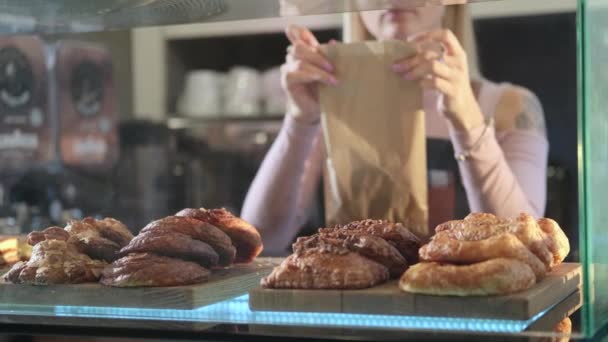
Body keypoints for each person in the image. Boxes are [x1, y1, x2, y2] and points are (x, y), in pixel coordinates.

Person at [242, 4, 548, 254]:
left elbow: (528, 248)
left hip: (474, 322)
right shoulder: (328, 97)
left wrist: (467, 119)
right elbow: (259, 241)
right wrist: (300, 120)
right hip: (350, 319)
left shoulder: (511, 106)